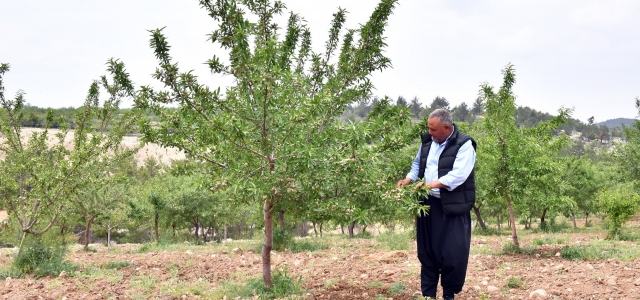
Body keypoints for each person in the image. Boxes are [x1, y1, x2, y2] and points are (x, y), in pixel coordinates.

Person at [396, 109, 476, 300]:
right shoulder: (427, 142)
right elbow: (417, 164)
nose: (429, 132)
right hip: (427, 205)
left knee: (452, 254)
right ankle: (428, 295)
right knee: (427, 252)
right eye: (428, 129)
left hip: (452, 207)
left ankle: (449, 295)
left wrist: (429, 184)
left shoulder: (464, 145)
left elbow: (458, 176)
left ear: (446, 127)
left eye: (433, 129)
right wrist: (408, 179)